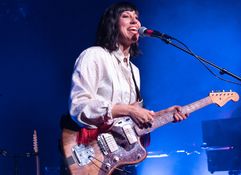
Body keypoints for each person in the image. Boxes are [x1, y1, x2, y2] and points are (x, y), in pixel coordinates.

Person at [67, 1, 188, 175]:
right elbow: (78, 107)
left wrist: (166, 114)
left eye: (136, 18)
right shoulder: (94, 55)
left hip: (121, 160)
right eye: (126, 16)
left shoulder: (134, 71)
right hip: (92, 154)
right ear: (112, 24)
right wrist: (128, 110)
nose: (135, 22)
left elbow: (130, 123)